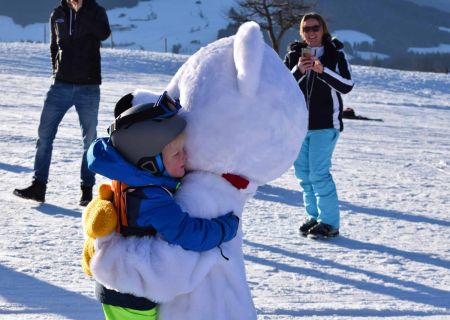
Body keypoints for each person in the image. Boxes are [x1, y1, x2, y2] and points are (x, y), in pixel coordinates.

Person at [86, 91, 240, 320]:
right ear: (150, 164)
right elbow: (186, 232)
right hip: (132, 294)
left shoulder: (137, 181)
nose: (185, 157)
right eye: (177, 153)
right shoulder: (151, 198)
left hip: (123, 286)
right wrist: (225, 228)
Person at [13, 0, 111, 206]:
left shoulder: (96, 11)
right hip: (60, 86)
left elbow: (103, 33)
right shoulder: (57, 13)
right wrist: (56, 72)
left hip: (88, 87)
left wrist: (81, 11)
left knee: (89, 140)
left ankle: (86, 190)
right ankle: (38, 186)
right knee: (44, 136)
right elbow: (54, 46)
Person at [284, 12, 354, 239]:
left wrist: (322, 71)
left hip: (325, 125)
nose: (311, 33)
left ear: (323, 29)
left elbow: (346, 86)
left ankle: (330, 222)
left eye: (315, 28)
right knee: (303, 174)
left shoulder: (335, 54)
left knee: (319, 173)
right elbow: (281, 87)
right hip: (298, 126)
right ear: (302, 33)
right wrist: (299, 71)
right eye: (307, 29)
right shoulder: (295, 54)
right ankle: (314, 217)